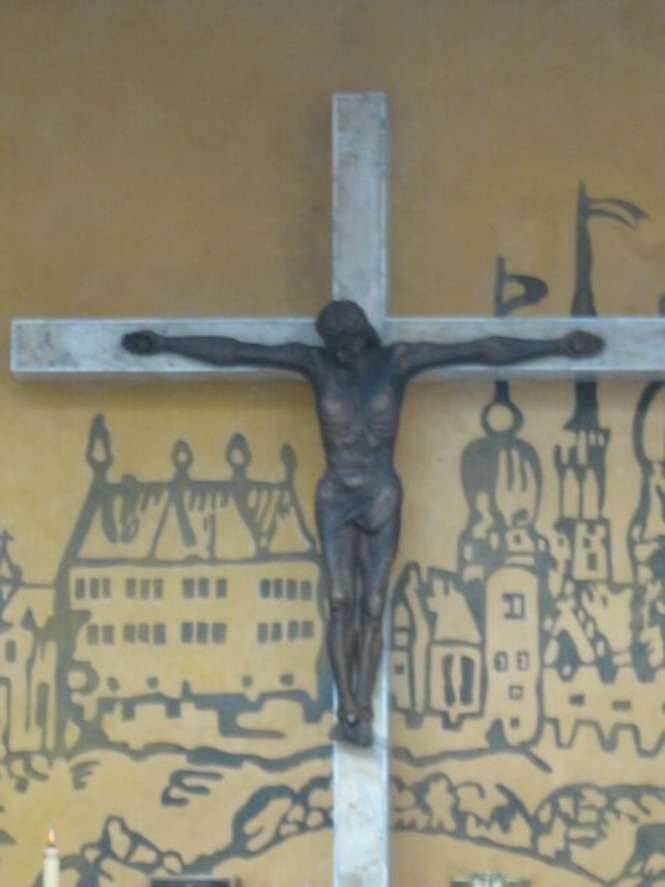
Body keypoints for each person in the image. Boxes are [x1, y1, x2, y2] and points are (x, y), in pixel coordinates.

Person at [123, 300, 602, 745]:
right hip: (336, 494)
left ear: (364, 334)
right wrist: (164, 343)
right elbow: (235, 352)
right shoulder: (316, 365)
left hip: (379, 493)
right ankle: (348, 707)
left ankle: (363, 709)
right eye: (336, 344)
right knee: (338, 599)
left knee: (372, 602)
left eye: (350, 341)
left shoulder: (396, 362)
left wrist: (559, 345)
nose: (344, 352)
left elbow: (481, 350)